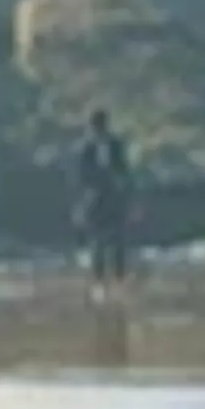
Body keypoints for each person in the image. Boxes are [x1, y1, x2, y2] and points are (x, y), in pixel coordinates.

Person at [72, 108, 136, 287]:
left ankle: (120, 278)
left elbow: (126, 172)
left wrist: (130, 200)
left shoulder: (116, 146)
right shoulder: (85, 149)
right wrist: (80, 204)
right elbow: (79, 178)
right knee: (97, 242)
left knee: (119, 241)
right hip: (94, 198)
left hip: (115, 198)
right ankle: (98, 279)